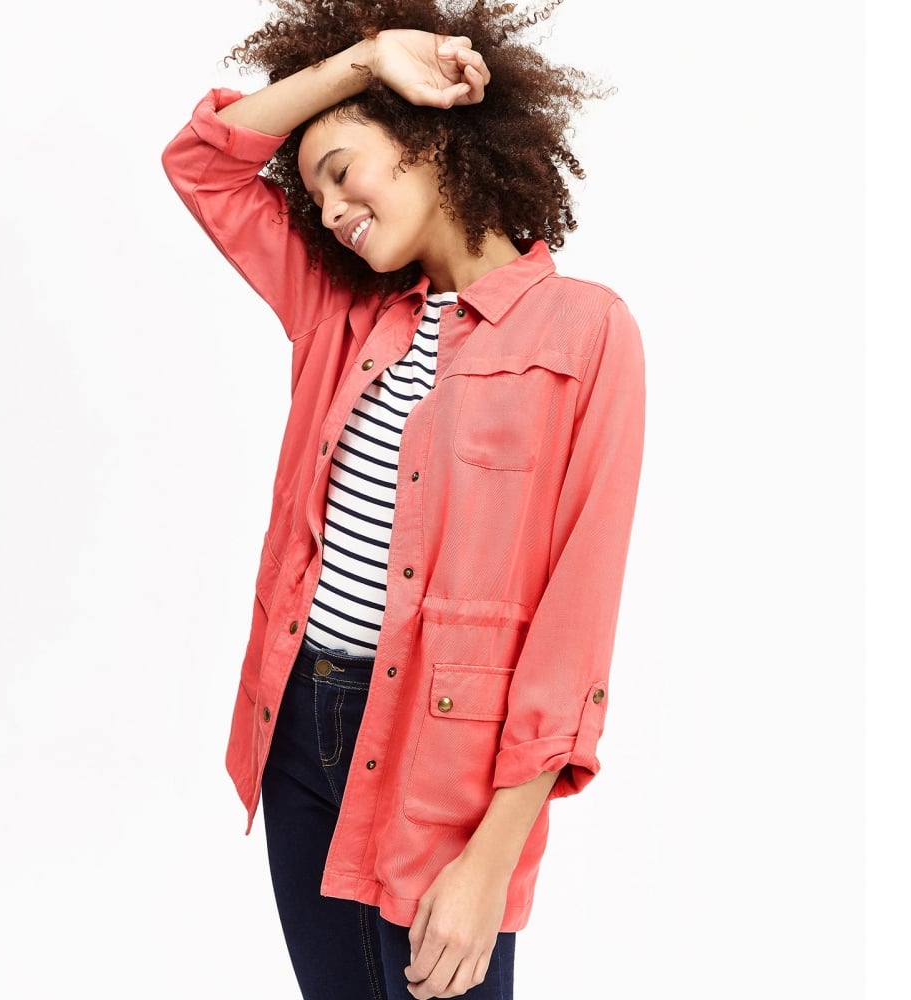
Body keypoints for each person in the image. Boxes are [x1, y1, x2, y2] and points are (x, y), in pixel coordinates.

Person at [162, 2, 645, 997]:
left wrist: (492, 858)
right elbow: (203, 164)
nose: (332, 210)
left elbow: (574, 625)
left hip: (446, 770)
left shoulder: (586, 332)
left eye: (344, 170)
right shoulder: (337, 310)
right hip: (299, 727)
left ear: (428, 139)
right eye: (314, 197)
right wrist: (365, 62)